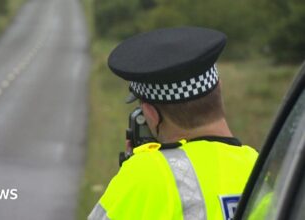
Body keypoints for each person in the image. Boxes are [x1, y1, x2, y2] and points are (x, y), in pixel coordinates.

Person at [88, 27, 258, 220]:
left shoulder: (145, 176)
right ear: (218, 87)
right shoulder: (261, 168)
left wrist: (131, 174)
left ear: (151, 114)